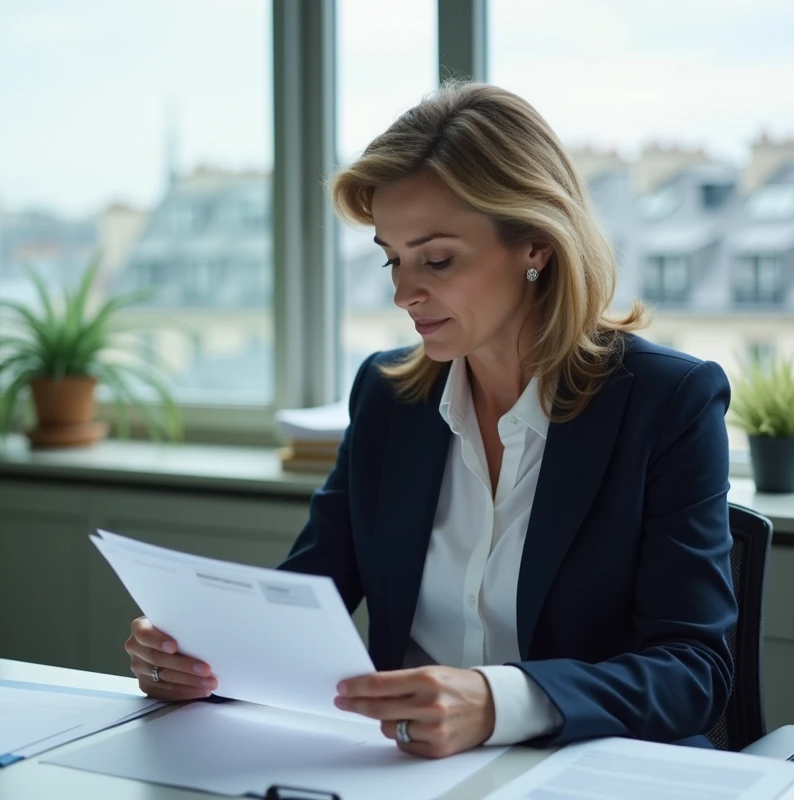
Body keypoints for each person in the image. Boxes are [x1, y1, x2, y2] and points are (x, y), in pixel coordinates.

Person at [125, 82, 737, 759]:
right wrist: (200, 655)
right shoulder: (389, 401)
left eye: (437, 259)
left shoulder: (667, 401)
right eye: (393, 258)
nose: (402, 293)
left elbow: (694, 672)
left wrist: (497, 699)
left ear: (536, 244)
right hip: (404, 772)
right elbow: (303, 599)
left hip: (581, 773)